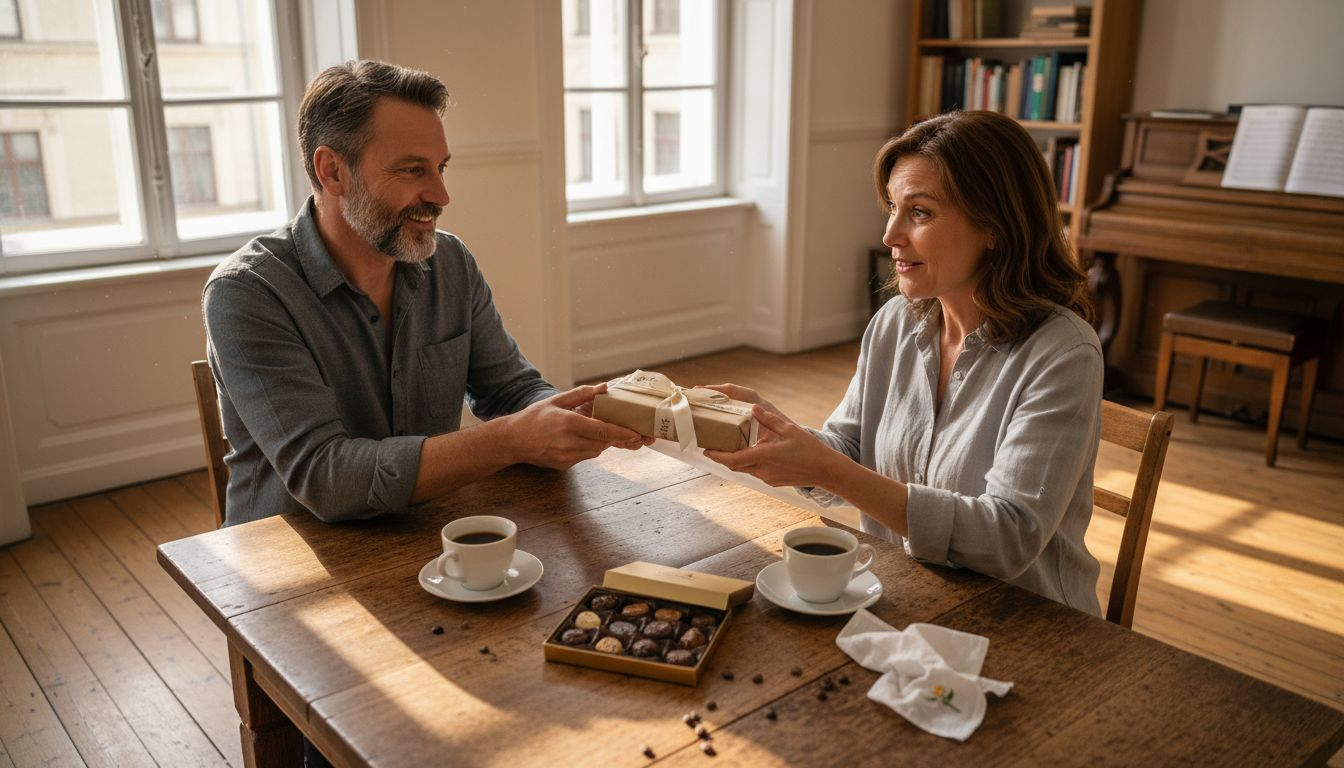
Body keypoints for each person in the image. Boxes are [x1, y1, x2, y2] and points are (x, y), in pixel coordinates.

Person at [203, 60, 645, 528]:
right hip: (286, 566)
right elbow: (324, 477)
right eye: (414, 170)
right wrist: (511, 439)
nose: (441, 195)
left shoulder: (450, 263)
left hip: (430, 531)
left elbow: (510, 389)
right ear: (332, 171)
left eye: (440, 167)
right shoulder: (246, 293)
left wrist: (568, 413)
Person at [704, 110, 1104, 615]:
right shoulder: (896, 321)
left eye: (919, 212)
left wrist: (826, 468)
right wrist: (775, 431)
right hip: (906, 599)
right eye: (892, 207)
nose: (891, 234)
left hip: (1030, 623)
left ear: (996, 226)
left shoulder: (1064, 354)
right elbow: (848, 446)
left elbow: (1009, 539)